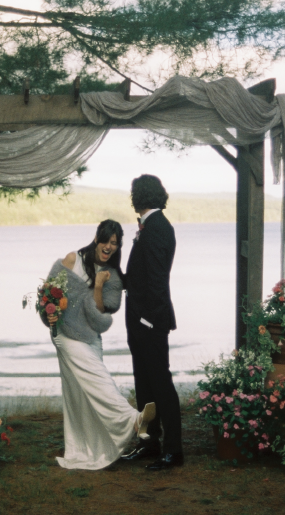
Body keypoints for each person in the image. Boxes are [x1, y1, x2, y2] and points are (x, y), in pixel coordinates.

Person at [48, 219, 156, 471]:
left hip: (90, 338)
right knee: (100, 380)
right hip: (64, 336)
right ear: (97, 238)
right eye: (106, 240)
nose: (109, 247)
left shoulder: (114, 278)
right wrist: (48, 315)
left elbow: (99, 321)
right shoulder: (72, 259)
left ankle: (88, 449)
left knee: (83, 395)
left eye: (115, 244)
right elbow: (47, 295)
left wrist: (98, 286)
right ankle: (132, 418)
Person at [120, 174, 184, 470]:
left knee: (160, 385)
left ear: (139, 196)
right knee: (144, 386)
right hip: (139, 321)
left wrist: (147, 320)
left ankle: (173, 450)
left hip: (150, 322)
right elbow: (140, 277)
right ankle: (149, 442)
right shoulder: (151, 226)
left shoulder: (157, 228)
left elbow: (158, 280)